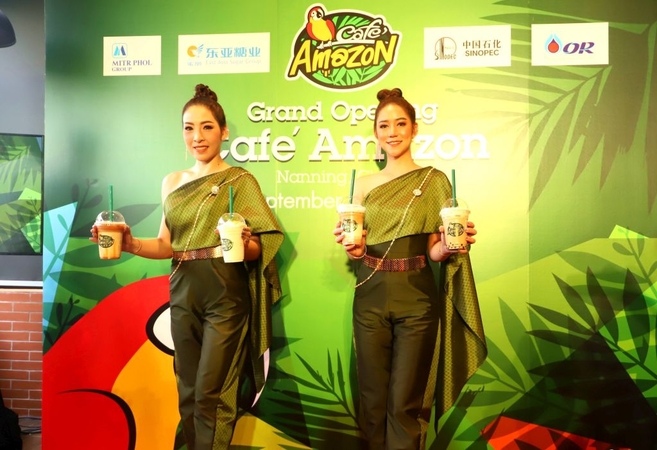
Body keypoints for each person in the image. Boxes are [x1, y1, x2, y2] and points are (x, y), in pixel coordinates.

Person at [91, 84, 284, 450]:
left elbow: (260, 247)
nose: (198, 136)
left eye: (207, 127)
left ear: (223, 132)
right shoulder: (172, 182)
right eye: (189, 127)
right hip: (183, 292)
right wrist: (130, 243)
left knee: (211, 392)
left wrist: (244, 242)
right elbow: (166, 244)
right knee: (189, 392)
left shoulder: (240, 181)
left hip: (225, 294)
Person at [333, 88, 487, 449]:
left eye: (401, 124)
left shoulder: (434, 180)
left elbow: (434, 249)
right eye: (384, 125)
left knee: (406, 403)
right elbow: (356, 249)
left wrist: (449, 245)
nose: (393, 132)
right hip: (370, 296)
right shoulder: (362, 184)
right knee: (373, 401)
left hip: (417, 298)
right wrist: (353, 247)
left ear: (414, 129)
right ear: (376, 133)